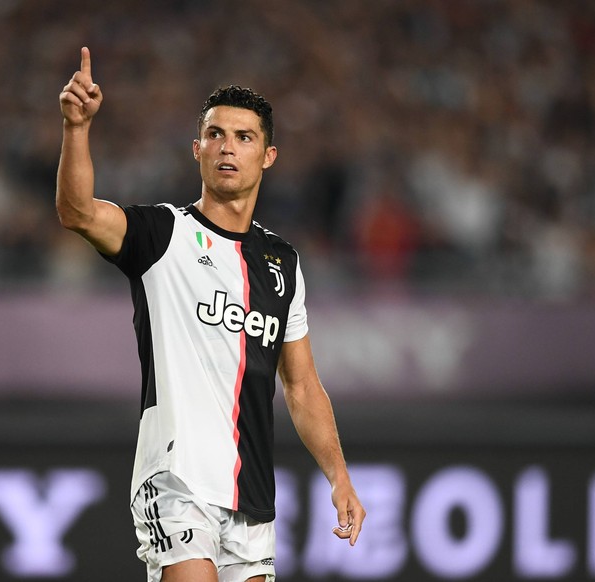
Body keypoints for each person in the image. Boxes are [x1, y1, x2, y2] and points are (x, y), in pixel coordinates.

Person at [57, 47, 365, 582]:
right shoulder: (163, 234)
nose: (228, 148)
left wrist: (339, 476)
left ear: (268, 155)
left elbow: (303, 386)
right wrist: (76, 128)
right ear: (196, 148)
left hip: (252, 496)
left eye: (244, 137)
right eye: (216, 135)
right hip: (175, 478)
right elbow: (78, 211)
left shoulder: (282, 263)